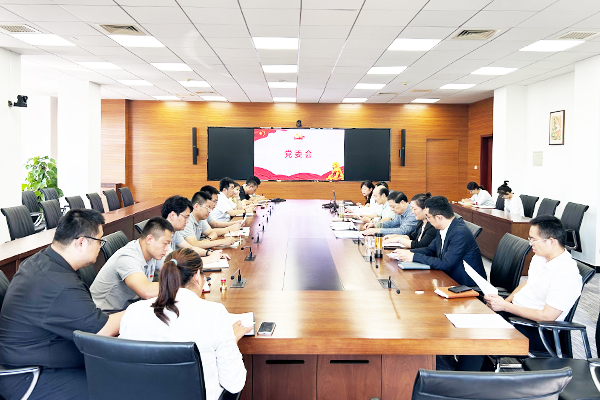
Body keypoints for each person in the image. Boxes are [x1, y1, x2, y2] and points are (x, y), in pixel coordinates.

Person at [0, 209, 123, 400]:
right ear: (81, 242)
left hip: (43, 362)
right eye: (99, 240)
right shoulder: (58, 283)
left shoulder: (43, 260)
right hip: (29, 376)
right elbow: (102, 330)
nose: (100, 246)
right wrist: (140, 310)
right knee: (116, 389)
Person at [119, 248, 250, 400]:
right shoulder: (214, 313)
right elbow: (234, 383)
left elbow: (124, 371)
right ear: (197, 276)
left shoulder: (133, 311)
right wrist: (232, 340)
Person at [485, 215, 582, 353]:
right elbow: (528, 283)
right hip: (516, 314)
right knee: (475, 316)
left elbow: (547, 317)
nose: (530, 243)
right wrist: (502, 304)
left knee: (479, 334)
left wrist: (505, 306)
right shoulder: (539, 257)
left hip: (536, 330)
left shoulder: (567, 274)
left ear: (551, 241)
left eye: (533, 239)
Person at [395, 196, 487, 286]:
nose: (427, 220)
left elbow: (446, 264)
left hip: (466, 285)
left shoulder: (460, 233)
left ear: (439, 217)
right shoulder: (443, 227)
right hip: (449, 278)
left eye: (428, 217)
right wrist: (408, 252)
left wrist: (414, 257)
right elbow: (430, 250)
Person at [91, 217, 173, 311]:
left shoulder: (152, 252)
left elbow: (169, 270)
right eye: (165, 243)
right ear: (149, 239)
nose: (167, 249)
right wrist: (177, 285)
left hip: (128, 306)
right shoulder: (128, 257)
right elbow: (146, 291)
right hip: (105, 312)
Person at [161, 195, 224, 261]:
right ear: (173, 215)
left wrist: (210, 253)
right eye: (186, 217)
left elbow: (190, 248)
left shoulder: (174, 231)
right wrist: (210, 259)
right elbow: (175, 261)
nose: (187, 221)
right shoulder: (161, 233)